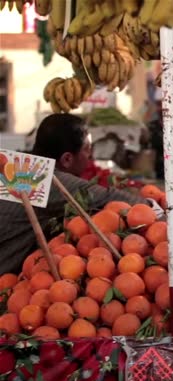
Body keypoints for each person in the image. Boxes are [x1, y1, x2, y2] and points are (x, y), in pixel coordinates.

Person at [0, 114, 152, 275]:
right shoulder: (42, 179)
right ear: (67, 159)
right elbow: (108, 197)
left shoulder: (15, 168)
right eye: (87, 149)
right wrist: (153, 205)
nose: (90, 156)